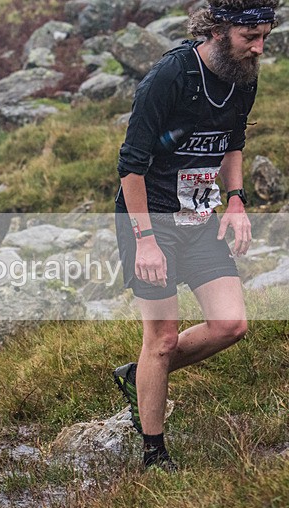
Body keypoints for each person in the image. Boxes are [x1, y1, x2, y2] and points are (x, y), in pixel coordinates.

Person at [113, 0, 276, 471]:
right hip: (150, 219)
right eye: (250, 37)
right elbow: (130, 167)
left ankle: (139, 375)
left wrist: (237, 199)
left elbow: (234, 142)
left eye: (264, 37)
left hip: (200, 217)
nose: (259, 48)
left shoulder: (244, 75)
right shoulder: (171, 77)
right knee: (162, 338)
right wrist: (145, 240)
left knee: (231, 325)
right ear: (219, 30)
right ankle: (154, 453)